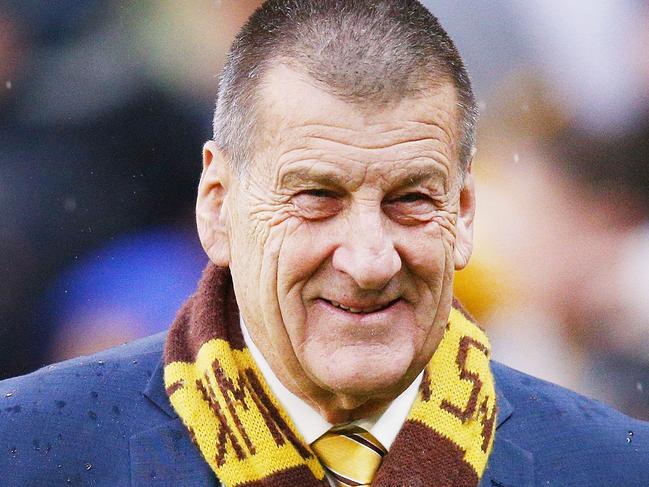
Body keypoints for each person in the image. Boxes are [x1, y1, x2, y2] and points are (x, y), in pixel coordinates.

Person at [1, 1, 648, 486]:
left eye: (411, 199)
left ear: (464, 211)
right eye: (316, 197)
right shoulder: (26, 451)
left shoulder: (616, 467)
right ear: (217, 206)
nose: (368, 260)